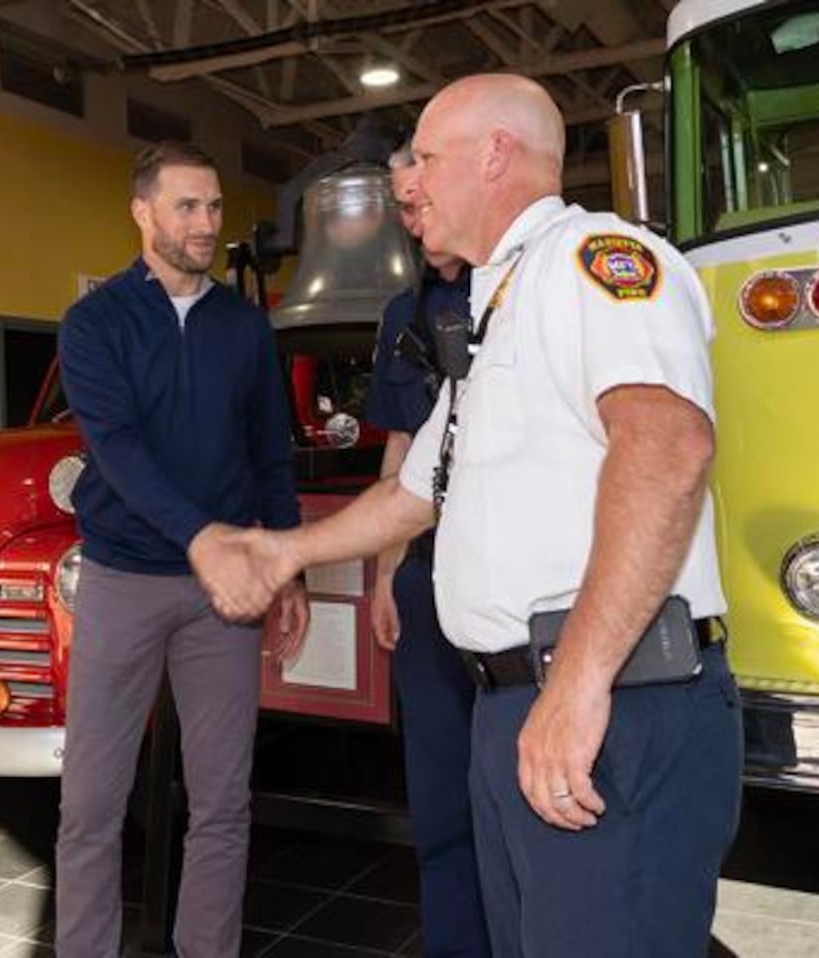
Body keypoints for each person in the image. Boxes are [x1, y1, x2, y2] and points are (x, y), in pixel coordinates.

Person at [221, 75, 743, 956]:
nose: (406, 184)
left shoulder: (595, 261)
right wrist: (282, 552)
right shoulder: (498, 306)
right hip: (516, 700)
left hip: (606, 698)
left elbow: (667, 450)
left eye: (424, 158)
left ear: (495, 153)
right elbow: (411, 494)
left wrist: (576, 685)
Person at [53, 141, 309, 958]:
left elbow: (270, 450)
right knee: (91, 804)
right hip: (125, 578)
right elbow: (119, 452)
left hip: (224, 593)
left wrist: (286, 567)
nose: (206, 224)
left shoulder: (243, 326)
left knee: (223, 801)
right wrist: (200, 537)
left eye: (212, 208)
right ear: (143, 212)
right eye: (187, 207)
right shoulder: (95, 323)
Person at [364, 147, 489, 957]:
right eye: (404, 210)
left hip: (518, 592)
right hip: (425, 580)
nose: (415, 221)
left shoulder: (526, 290)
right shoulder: (400, 317)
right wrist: (384, 573)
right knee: (441, 807)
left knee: (524, 803)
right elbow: (401, 447)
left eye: (423, 200)